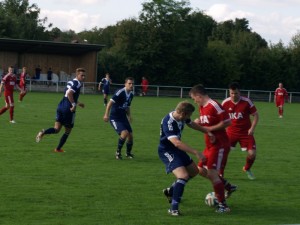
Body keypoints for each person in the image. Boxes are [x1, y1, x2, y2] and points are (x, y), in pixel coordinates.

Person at [189, 84, 236, 213]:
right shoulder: (202, 107)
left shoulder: (213, 105)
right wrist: (198, 122)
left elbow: (227, 122)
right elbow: (207, 120)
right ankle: (227, 186)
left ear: (199, 96)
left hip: (219, 145)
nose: (194, 101)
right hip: (209, 146)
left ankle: (223, 206)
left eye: (194, 98)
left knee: (211, 173)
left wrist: (209, 129)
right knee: (200, 170)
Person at [159, 101, 209, 216]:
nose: (189, 118)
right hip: (167, 150)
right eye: (188, 115)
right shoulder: (169, 122)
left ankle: (171, 191)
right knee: (183, 176)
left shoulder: (181, 117)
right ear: (182, 113)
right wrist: (196, 152)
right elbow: (176, 143)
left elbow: (191, 123)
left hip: (178, 149)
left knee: (194, 171)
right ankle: (174, 209)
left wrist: (206, 131)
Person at [35, 68, 86, 152]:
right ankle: (58, 149)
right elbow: (70, 94)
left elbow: (67, 94)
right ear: (77, 75)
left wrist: (78, 103)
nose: (83, 77)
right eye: (82, 75)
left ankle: (43, 132)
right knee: (67, 131)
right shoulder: (78, 83)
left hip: (61, 106)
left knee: (56, 129)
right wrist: (73, 104)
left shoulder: (71, 82)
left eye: (84, 76)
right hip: (68, 109)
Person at [222, 82, 259, 180]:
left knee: (252, 154)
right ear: (229, 93)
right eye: (231, 93)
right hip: (230, 132)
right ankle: (220, 174)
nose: (234, 95)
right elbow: (220, 117)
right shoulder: (225, 103)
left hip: (246, 133)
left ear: (240, 93)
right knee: (223, 153)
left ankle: (247, 168)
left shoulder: (247, 101)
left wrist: (252, 128)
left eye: (236, 93)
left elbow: (256, 115)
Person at [103, 77, 135, 159]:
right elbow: (110, 103)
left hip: (123, 117)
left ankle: (128, 154)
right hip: (115, 117)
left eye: (132, 84)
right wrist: (106, 114)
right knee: (124, 133)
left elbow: (127, 106)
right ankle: (118, 153)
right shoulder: (120, 92)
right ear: (125, 84)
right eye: (129, 83)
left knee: (130, 136)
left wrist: (129, 116)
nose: (131, 85)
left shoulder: (131, 94)